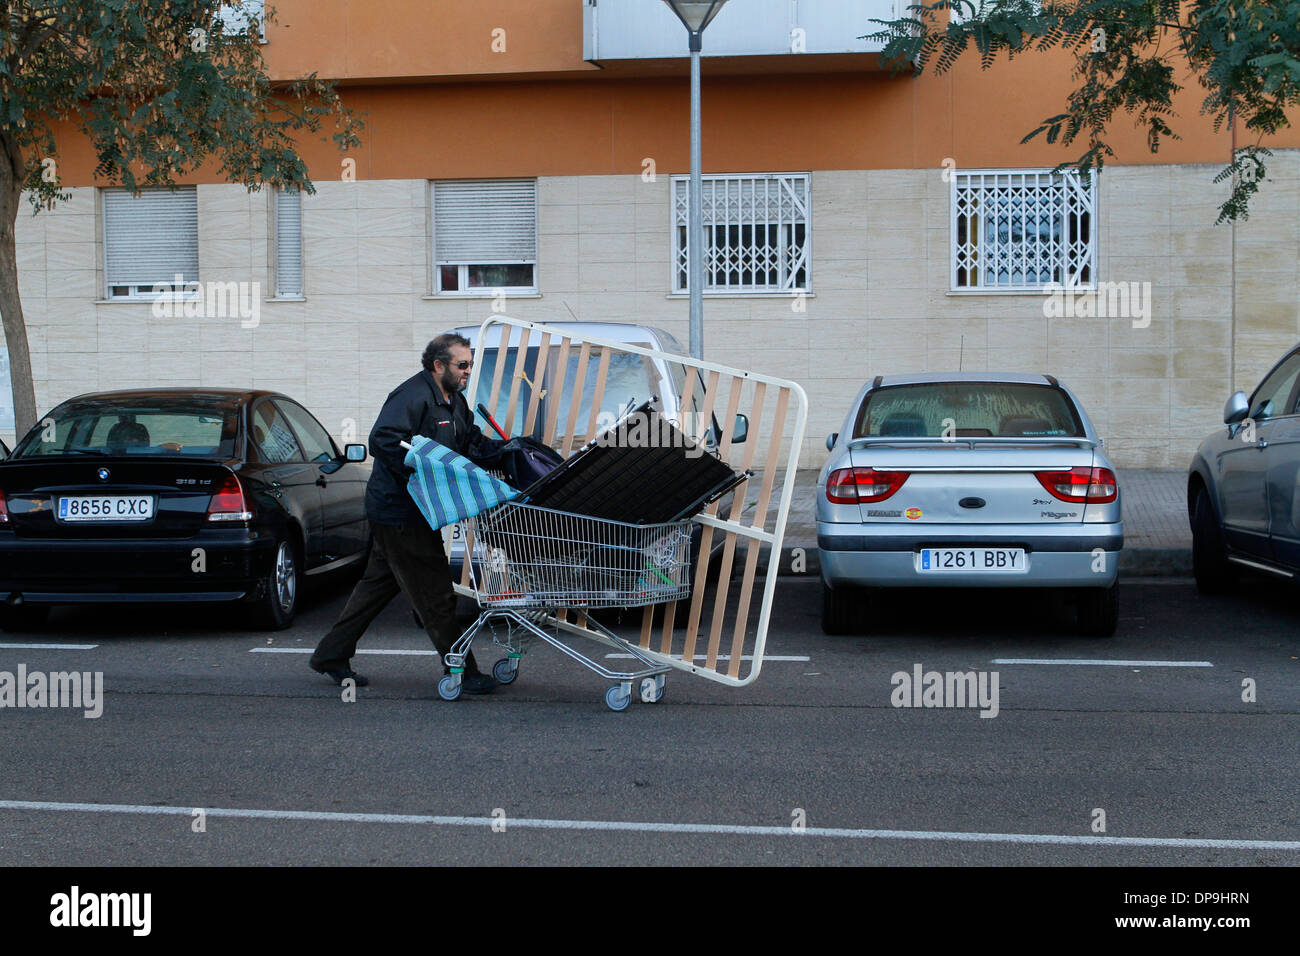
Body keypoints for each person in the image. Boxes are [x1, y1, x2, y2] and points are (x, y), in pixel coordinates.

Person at [309, 333, 506, 695]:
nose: (467, 372)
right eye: (462, 365)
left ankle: (330, 655)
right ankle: (462, 669)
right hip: (400, 511)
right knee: (435, 593)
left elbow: (468, 442)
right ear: (438, 365)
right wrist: (421, 475)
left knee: (377, 586)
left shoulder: (454, 400)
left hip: (413, 511)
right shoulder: (412, 396)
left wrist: (508, 451)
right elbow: (382, 439)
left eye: (470, 366)